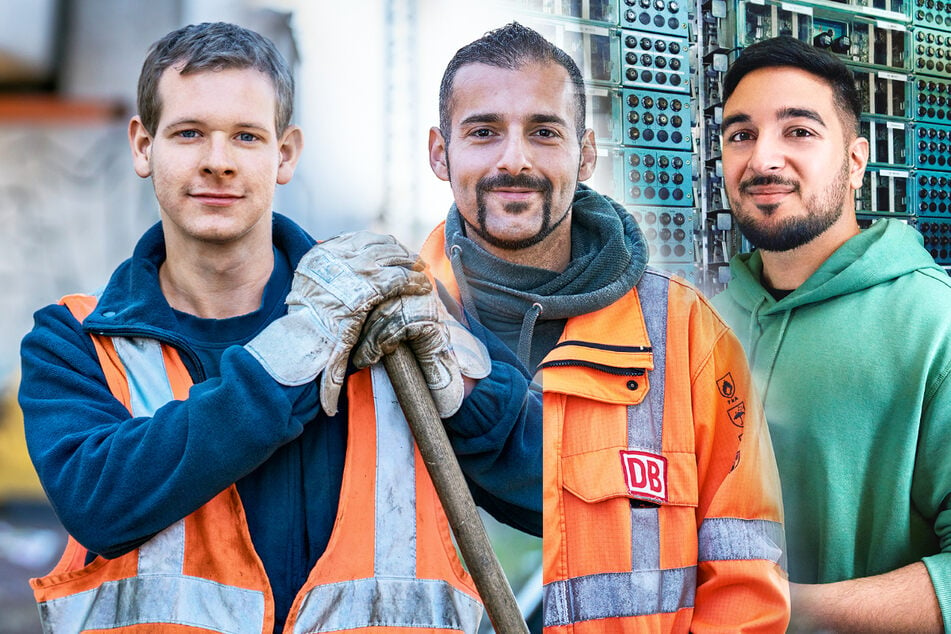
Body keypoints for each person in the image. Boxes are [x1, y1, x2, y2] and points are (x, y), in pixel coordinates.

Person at [18, 22, 539, 633]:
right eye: (189, 134)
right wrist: (297, 351)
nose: (218, 162)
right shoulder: (76, 341)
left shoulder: (400, 311)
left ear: (284, 153)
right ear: (142, 146)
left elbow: (547, 494)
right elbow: (101, 502)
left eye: (246, 136)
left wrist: (467, 386)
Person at [421, 22, 789, 632]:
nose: (514, 159)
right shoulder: (386, 326)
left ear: (586, 153)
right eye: (484, 132)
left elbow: (745, 584)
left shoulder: (688, 335)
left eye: (544, 132)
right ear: (441, 152)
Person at [712, 35, 951, 632]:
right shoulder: (704, 324)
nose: (763, 159)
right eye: (741, 134)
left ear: (855, 161)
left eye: (798, 131)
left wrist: (775, 610)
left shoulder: (932, 325)